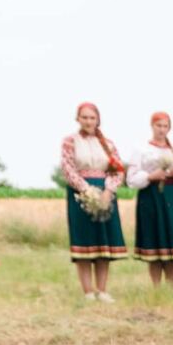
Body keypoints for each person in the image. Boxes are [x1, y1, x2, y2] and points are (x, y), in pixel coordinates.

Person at [60, 101, 127, 301]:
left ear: (98, 120)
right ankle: (88, 291)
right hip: (81, 193)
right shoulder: (70, 141)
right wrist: (87, 190)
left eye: (92, 118)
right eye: (85, 117)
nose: (89, 121)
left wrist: (108, 190)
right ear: (78, 119)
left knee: (102, 241)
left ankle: (102, 290)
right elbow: (68, 168)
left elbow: (118, 169)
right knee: (85, 240)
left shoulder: (108, 144)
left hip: (105, 192)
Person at [124, 111, 173, 286]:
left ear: (169, 128)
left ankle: (170, 286)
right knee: (154, 242)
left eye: (165, 126)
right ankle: (156, 287)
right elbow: (131, 179)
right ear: (152, 126)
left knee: (172, 242)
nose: (162, 130)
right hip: (151, 197)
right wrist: (150, 176)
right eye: (158, 125)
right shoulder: (141, 149)